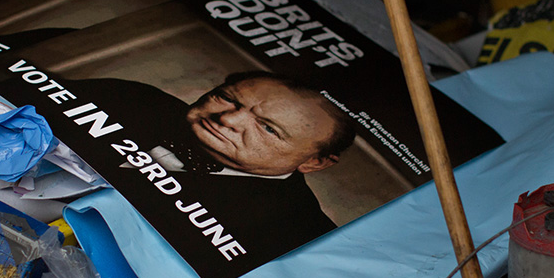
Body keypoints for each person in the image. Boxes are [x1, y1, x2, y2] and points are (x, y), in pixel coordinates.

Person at [75, 71, 357, 258]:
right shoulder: (129, 96)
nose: (227, 120)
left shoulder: (302, 237)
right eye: (226, 98)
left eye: (269, 129)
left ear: (315, 161)